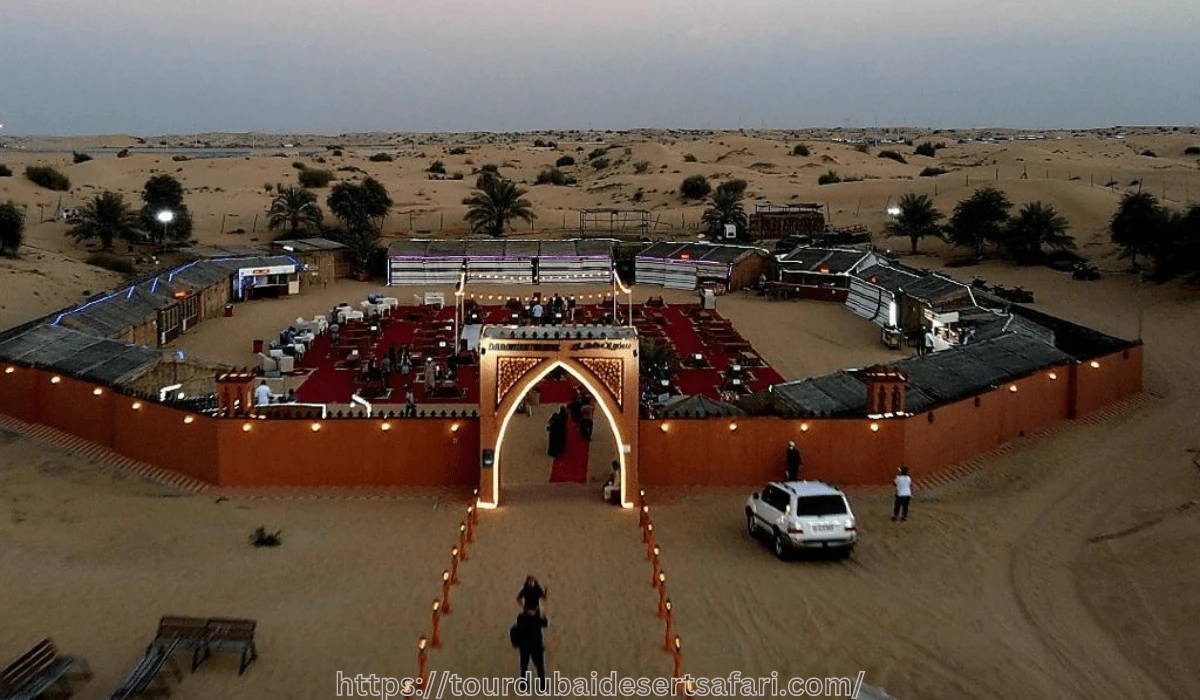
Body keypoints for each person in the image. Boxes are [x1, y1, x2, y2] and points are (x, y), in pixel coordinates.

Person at [512, 607, 548, 691]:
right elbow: (545, 624)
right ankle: (542, 685)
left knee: (524, 666)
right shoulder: (537, 618)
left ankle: (523, 685)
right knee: (539, 666)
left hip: (524, 646)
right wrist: (544, 617)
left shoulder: (521, 617)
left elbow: (518, 622)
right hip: (536, 646)